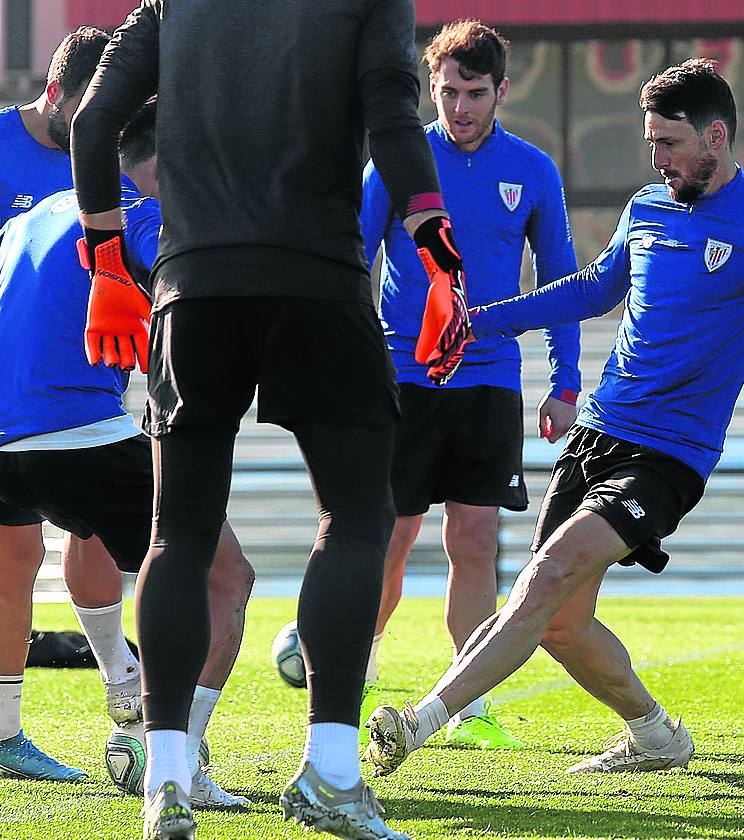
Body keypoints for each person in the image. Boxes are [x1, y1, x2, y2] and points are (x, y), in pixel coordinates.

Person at [363, 58, 744, 779]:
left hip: (667, 456)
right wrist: (483, 322)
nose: (656, 158)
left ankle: (418, 722)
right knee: (562, 621)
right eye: (650, 143)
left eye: (668, 143)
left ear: (715, 137)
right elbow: (590, 290)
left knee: (546, 577)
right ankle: (655, 734)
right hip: (599, 433)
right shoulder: (646, 208)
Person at [69, 2, 469, 838]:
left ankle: (168, 779)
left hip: (194, 287)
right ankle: (329, 772)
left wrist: (106, 258)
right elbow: (396, 117)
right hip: (315, 278)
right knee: (357, 521)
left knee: (177, 534)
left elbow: (98, 115)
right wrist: (438, 252)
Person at [0, 100, 253, 806]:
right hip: (74, 432)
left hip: (7, 442)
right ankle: (181, 762)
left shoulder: (31, 214)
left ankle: (114, 693)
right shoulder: (139, 209)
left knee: (77, 533)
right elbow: (190, 292)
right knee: (225, 579)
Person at [359, 19, 580, 750]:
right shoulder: (398, 159)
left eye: (474, 93)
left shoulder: (533, 170)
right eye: (448, 91)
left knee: (476, 540)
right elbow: (350, 260)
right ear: (432, 86)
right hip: (400, 376)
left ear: (500, 91)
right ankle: (356, 660)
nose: (459, 107)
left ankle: (467, 704)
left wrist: (566, 381)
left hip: (488, 379)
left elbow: (561, 283)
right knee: (390, 537)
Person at [0, 25, 151, 769]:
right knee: (15, 553)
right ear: (55, 94)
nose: (100, 135)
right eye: (93, 116)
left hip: (94, 376)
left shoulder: (110, 166)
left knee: (90, 534)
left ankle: (125, 689)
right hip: (23, 384)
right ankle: (12, 733)